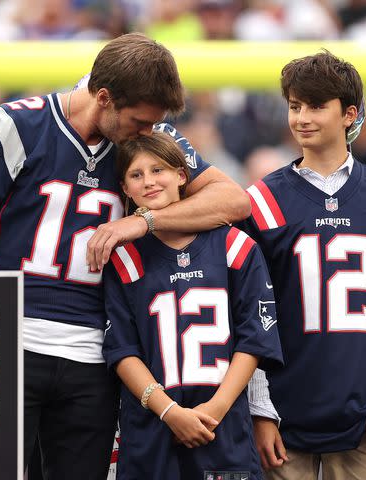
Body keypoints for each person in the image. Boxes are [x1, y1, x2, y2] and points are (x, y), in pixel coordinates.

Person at [0, 32, 250, 478]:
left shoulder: (149, 146)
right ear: (104, 98)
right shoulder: (16, 126)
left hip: (94, 354)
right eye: (139, 121)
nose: (148, 133)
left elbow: (234, 201)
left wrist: (142, 221)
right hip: (11, 339)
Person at [244, 51, 366, 479]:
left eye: (317, 105)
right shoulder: (262, 201)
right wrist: (260, 407)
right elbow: (251, 317)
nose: (302, 117)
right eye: (295, 106)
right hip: (286, 409)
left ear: (350, 114)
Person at [102, 132, 283, 479]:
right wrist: (169, 412)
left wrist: (216, 408)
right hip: (151, 429)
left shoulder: (235, 246)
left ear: (183, 175)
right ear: (124, 188)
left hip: (223, 426)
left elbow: (254, 338)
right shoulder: (124, 258)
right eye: (136, 175)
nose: (149, 182)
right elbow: (122, 351)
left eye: (158, 170)